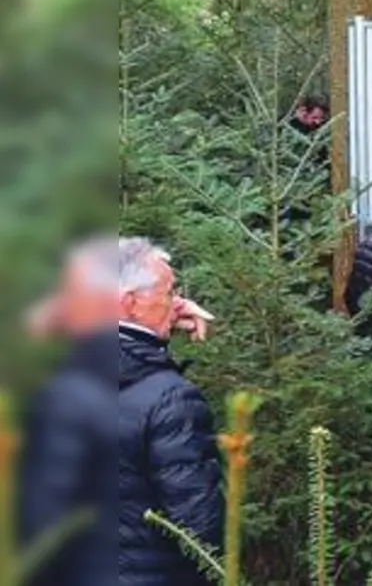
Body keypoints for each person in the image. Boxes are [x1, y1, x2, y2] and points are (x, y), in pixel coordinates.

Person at [117, 239, 224, 586]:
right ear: (130, 302)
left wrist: (160, 323)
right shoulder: (171, 399)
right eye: (169, 292)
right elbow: (198, 528)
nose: (176, 300)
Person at [21, 239, 121, 586]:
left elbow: (45, 524)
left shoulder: (68, 397)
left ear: (103, 302)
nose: (61, 305)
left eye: (69, 292)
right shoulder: (154, 381)